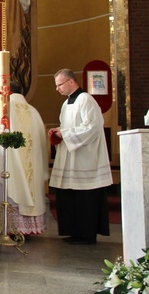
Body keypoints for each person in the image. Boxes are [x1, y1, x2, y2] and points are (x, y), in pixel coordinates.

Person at [48, 69, 113, 245]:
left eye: (59, 85)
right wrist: (59, 132)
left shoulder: (86, 99)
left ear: (71, 82)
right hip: (70, 156)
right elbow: (67, 126)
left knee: (86, 198)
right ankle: (74, 232)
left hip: (85, 159)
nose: (57, 89)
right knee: (70, 195)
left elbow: (93, 127)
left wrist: (66, 134)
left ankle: (87, 235)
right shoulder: (65, 104)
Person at [0, 82, 49, 235]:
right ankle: (29, 229)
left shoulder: (1, 109)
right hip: (32, 167)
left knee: (13, 188)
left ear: (6, 92)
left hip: (10, 164)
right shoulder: (33, 111)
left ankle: (13, 229)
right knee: (29, 188)